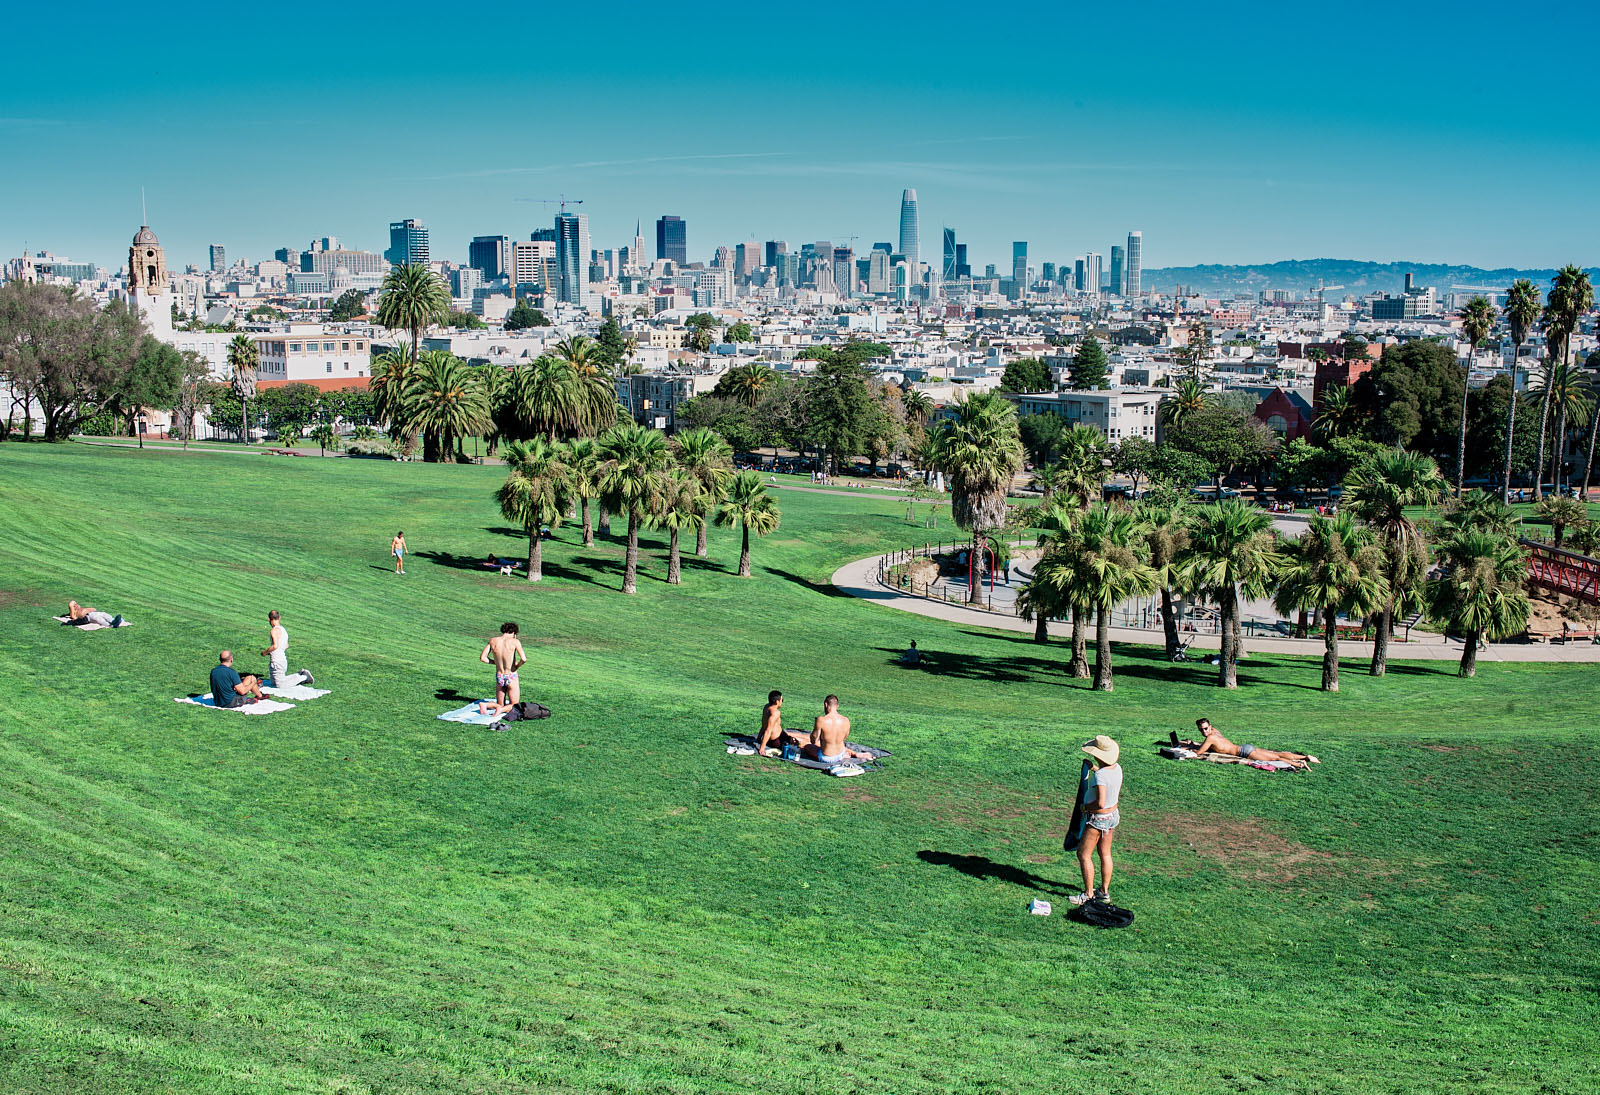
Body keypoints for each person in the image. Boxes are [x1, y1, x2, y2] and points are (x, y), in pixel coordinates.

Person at [1070, 735, 1122, 906]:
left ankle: (1088, 894)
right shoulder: (1116, 768)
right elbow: (1106, 776)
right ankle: (1104, 892)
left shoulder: (1100, 776)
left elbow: (1100, 802)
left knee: (1083, 854)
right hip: (1112, 816)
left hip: (1098, 819)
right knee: (1105, 853)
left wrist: (1086, 807)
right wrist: (1094, 768)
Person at [1187, 717, 1319, 766]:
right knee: (1275, 754)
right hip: (1245, 747)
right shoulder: (1215, 732)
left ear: (1210, 726)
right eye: (1201, 730)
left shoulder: (1210, 738)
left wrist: (1191, 748)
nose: (1204, 731)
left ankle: (1299, 764)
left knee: (1274, 758)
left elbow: (1199, 753)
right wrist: (1195, 744)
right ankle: (1305, 757)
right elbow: (1210, 745)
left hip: (1244, 752)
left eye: (1205, 728)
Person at [802, 695, 872, 765]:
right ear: (837, 706)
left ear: (826, 704)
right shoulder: (846, 720)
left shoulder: (821, 720)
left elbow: (813, 741)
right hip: (841, 754)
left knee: (807, 747)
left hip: (827, 758)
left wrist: (816, 731)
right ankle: (851, 754)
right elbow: (844, 739)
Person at [478, 622, 527, 716]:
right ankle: (500, 710)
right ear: (513, 632)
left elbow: (483, 658)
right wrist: (517, 665)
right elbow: (524, 659)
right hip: (511, 675)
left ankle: (486, 705)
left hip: (499, 676)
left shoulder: (493, 640)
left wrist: (495, 662)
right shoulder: (515, 642)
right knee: (515, 705)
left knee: (500, 704)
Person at [257, 609, 312, 688]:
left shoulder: (274, 631)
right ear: (279, 618)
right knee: (274, 682)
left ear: (269, 619)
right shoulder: (283, 630)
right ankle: (300, 674)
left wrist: (265, 652)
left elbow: (275, 646)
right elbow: (286, 646)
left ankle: (304, 677)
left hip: (277, 661)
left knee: (280, 685)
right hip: (282, 660)